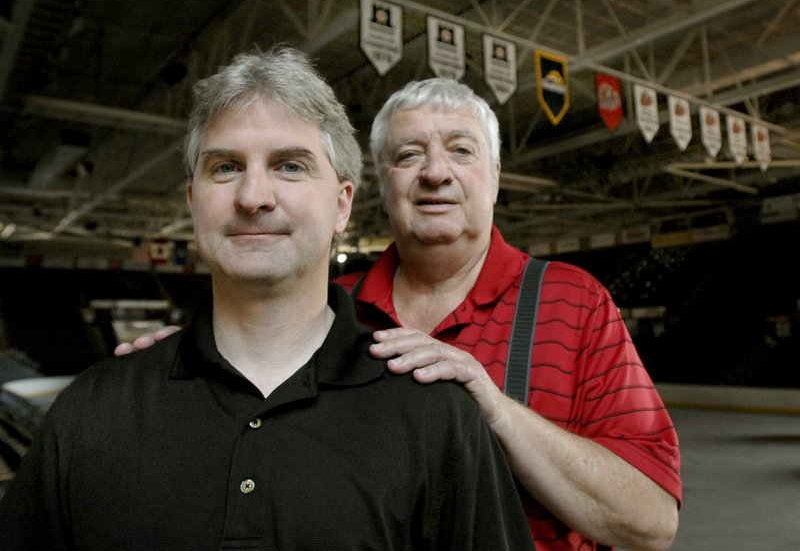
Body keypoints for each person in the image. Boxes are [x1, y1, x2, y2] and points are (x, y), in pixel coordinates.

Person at [0, 47, 536, 551]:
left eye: (291, 165)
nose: (254, 196)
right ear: (193, 201)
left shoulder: (438, 416)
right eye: (225, 167)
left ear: (342, 204)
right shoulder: (94, 408)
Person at [116, 78, 682, 550]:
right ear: (377, 187)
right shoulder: (322, 307)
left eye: (461, 150)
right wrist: (199, 358)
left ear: (496, 175)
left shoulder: (575, 301)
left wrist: (495, 410)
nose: (435, 172)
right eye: (408, 155)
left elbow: (651, 524)